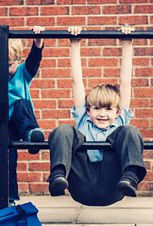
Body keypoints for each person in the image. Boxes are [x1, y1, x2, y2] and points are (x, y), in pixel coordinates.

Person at [47, 25, 147, 206]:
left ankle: (131, 176)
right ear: (87, 110)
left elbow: (125, 83)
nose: (102, 114)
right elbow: (76, 81)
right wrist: (75, 44)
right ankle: (57, 176)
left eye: (108, 110)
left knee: (130, 131)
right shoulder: (83, 120)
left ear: (117, 112)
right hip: (81, 183)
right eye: (96, 109)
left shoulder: (121, 120)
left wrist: (127, 44)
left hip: (113, 185)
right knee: (63, 130)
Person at [0, 26, 47, 206]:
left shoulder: (23, 73)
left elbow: (34, 61)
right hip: (4, 125)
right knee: (5, 160)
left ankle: (32, 136)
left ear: (18, 60)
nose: (2, 69)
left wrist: (38, 41)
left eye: (8, 64)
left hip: (22, 121)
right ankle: (9, 198)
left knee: (21, 104)